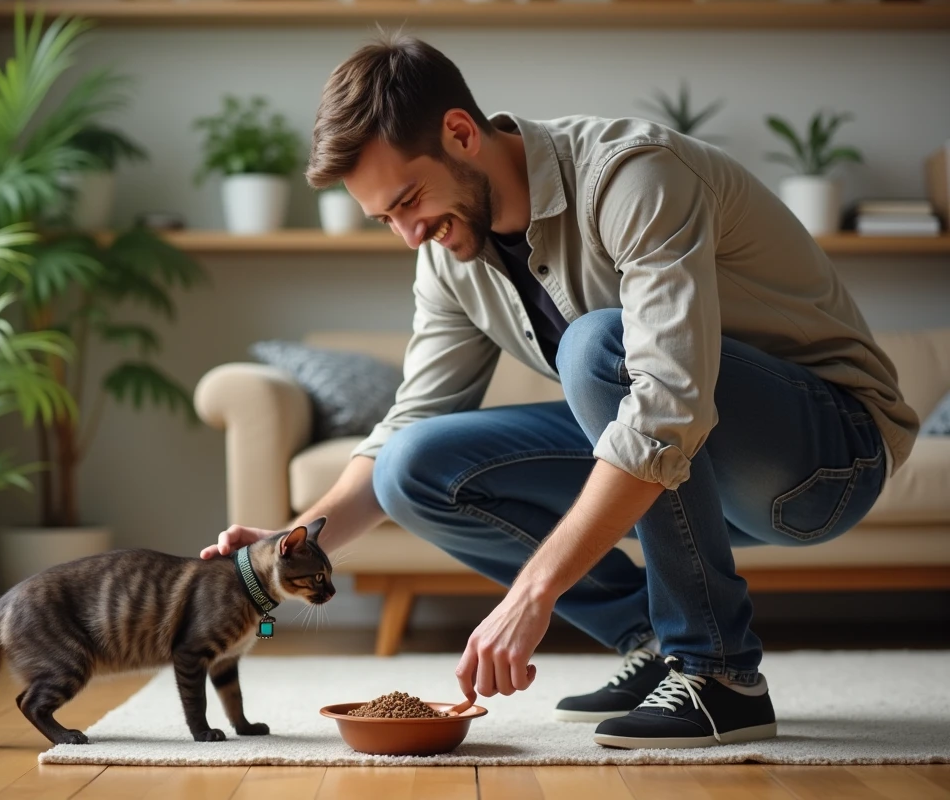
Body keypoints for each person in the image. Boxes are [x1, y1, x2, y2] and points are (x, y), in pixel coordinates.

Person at [200, 34, 918, 749]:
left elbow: (667, 405)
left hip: (826, 458)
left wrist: (532, 592)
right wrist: (287, 545)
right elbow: (411, 419)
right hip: (698, 461)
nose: (410, 233)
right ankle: (659, 647)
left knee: (601, 346)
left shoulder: (631, 176)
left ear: (460, 133)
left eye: (410, 198)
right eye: (386, 217)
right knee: (411, 465)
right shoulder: (450, 257)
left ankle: (719, 671)